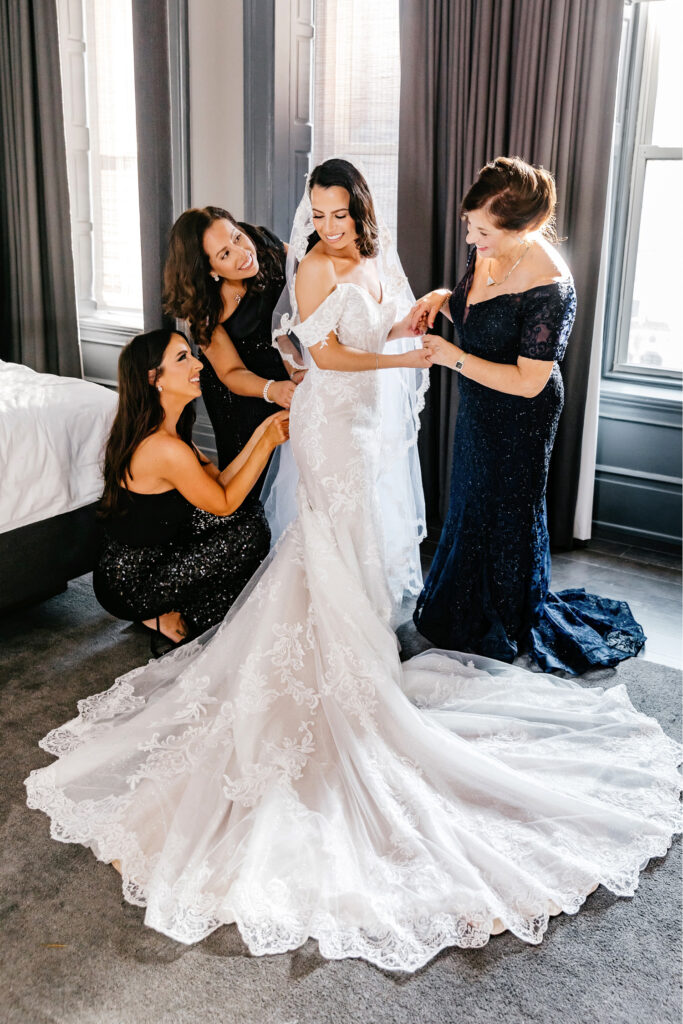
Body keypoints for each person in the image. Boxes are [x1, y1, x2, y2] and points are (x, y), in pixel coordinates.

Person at [26, 161, 680, 973]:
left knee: (361, 548)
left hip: (367, 428)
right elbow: (327, 359)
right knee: (324, 544)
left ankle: (363, 656)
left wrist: (415, 320)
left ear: (359, 211)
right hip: (333, 418)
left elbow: (375, 325)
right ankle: (337, 680)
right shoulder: (305, 263)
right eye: (318, 213)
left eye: (339, 214)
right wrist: (414, 359)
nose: (328, 226)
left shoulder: (372, 255)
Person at [412, 156, 645, 674]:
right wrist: (439, 299)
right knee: (471, 498)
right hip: (479, 399)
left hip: (521, 415)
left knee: (506, 508)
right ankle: (460, 606)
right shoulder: (492, 248)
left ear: (528, 226)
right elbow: (479, 313)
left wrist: (452, 357)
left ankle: (508, 616)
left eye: (484, 232)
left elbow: (528, 380)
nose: (474, 241)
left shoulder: (551, 285)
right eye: (469, 227)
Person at [92, 328, 289, 656]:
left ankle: (191, 610)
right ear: (155, 378)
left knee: (249, 515)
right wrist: (268, 443)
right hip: (131, 583)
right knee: (248, 530)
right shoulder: (164, 447)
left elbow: (220, 483)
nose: (198, 365)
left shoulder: (167, 431)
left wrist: (261, 433)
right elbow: (223, 504)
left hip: (158, 551)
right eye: (183, 358)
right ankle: (165, 615)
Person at [163, 208, 301, 492]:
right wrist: (272, 389)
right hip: (242, 389)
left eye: (237, 237)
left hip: (285, 361)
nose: (242, 253)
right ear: (210, 270)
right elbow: (230, 371)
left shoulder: (263, 243)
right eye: (225, 254)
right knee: (256, 477)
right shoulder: (205, 308)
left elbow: (309, 270)